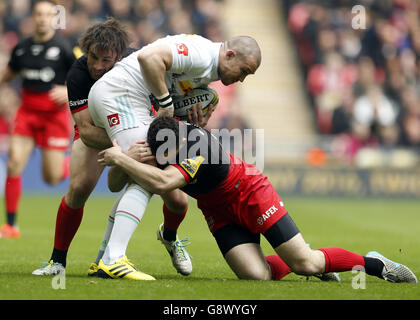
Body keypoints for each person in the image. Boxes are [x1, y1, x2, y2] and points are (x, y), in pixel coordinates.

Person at [97, 116, 418, 284]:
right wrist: (125, 157)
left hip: (251, 193)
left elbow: (166, 181)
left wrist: (124, 161)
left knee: (304, 261)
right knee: (256, 276)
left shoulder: (197, 147)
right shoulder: (162, 144)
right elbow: (119, 185)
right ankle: (314, 268)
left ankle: (376, 264)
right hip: (218, 211)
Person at [32, 20, 206, 278]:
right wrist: (124, 149)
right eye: (93, 57)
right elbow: (87, 130)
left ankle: (169, 237)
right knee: (78, 188)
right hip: (99, 134)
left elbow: (176, 93)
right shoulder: (78, 75)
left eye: (106, 60)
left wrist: (196, 111)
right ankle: (57, 261)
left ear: (120, 56)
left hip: (140, 129)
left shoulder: (140, 62)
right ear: (86, 49)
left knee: (179, 201)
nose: (98, 66)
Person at [87, 33, 261, 280]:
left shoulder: (208, 70)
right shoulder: (202, 55)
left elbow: (171, 83)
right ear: (230, 55)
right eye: (243, 71)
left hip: (119, 96)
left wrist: (190, 121)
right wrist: (166, 102)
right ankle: (113, 259)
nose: (241, 79)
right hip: (121, 95)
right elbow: (149, 57)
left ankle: (103, 260)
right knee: (147, 174)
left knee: (150, 180)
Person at [0, 0, 75, 238]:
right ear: (33, 18)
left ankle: (73, 159)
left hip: (54, 117)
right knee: (14, 164)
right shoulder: (21, 48)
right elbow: (8, 74)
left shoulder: (64, 49)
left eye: (47, 14)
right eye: (38, 14)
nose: (42, 18)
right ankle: (11, 225)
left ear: (54, 18)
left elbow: (80, 80)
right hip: (27, 113)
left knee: (51, 178)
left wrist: (67, 91)